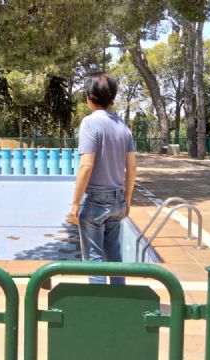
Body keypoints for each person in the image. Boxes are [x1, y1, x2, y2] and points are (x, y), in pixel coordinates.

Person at [67, 73, 137, 285]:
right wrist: (127, 199)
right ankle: (118, 303)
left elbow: (86, 165)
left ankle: (97, 309)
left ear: (89, 97)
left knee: (94, 259)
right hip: (117, 201)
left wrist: (75, 204)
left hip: (96, 201)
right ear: (112, 98)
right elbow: (132, 167)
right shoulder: (123, 126)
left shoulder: (90, 123)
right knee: (115, 256)